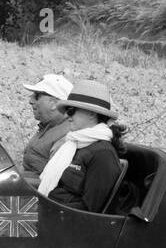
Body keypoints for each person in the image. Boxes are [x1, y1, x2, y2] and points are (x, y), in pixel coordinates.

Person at [37, 79, 128, 213]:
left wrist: (43, 210)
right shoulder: (74, 144)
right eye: (67, 110)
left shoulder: (103, 154)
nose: (67, 116)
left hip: (60, 221)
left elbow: (90, 210)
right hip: (49, 210)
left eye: (72, 110)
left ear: (92, 114)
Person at [19, 73, 73, 188]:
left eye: (37, 96)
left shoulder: (65, 137)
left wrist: (13, 182)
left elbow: (52, 184)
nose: (31, 100)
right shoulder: (49, 126)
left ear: (53, 103)